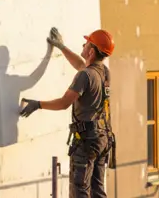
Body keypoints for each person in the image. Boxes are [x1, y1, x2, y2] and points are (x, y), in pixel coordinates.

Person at [20, 27, 116, 198]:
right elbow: (81, 65)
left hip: (87, 141)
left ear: (91, 52)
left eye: (87, 44)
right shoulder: (103, 72)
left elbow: (64, 103)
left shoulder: (85, 76)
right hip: (102, 139)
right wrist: (61, 47)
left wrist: (38, 104)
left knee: (80, 191)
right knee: (97, 190)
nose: (83, 44)